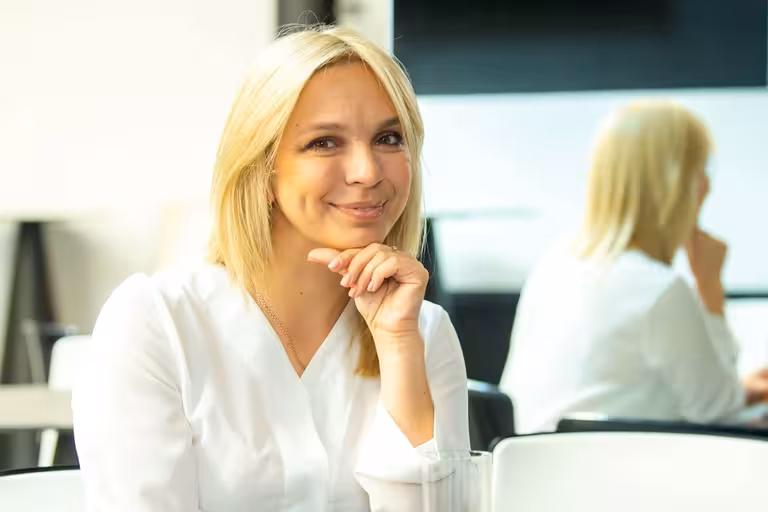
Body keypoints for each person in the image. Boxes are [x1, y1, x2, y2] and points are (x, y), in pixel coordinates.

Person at [73, 26, 469, 511]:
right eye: (324, 142)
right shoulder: (158, 322)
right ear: (261, 169)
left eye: (389, 138)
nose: (367, 171)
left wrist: (398, 347)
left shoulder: (423, 334)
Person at [500, 101, 768, 434]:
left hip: (531, 459)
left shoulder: (554, 266)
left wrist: (736, 391)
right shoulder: (659, 289)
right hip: (614, 464)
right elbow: (719, 411)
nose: (707, 187)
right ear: (675, 184)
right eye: (701, 170)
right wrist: (710, 288)